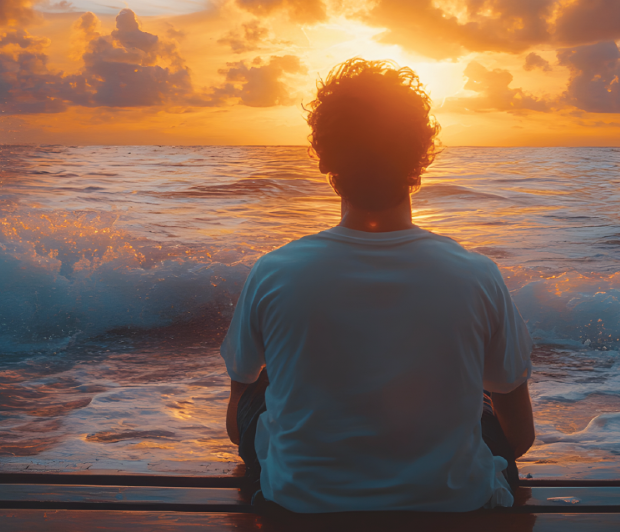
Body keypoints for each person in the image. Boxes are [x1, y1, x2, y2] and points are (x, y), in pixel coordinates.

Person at [220, 58, 535, 514]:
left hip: (302, 499)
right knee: (481, 401)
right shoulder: (476, 274)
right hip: (453, 503)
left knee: (264, 381)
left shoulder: (275, 271)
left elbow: (235, 425)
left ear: (326, 159)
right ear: (420, 157)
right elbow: (519, 439)